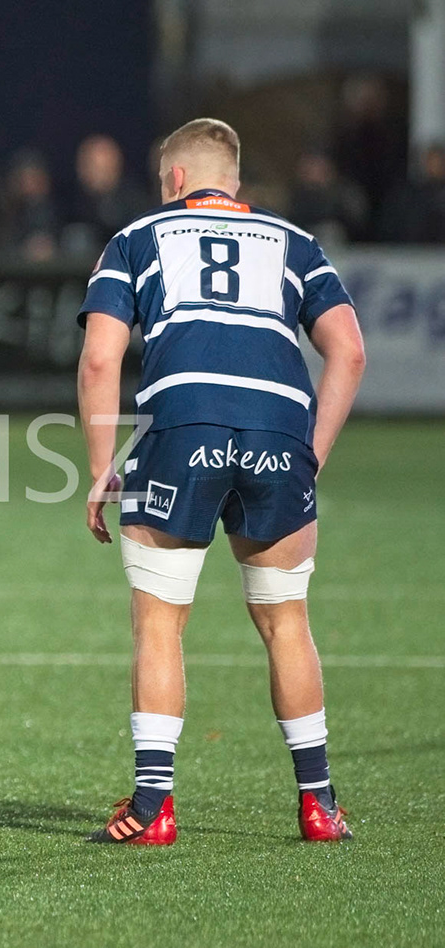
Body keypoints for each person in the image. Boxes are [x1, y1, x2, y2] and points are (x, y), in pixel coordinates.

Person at [77, 118, 366, 844]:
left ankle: (153, 807)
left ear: (175, 179)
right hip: (278, 431)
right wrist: (310, 455)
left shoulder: (135, 238)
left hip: (183, 426)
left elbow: (100, 358)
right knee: (285, 619)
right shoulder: (296, 241)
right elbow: (350, 352)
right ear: (233, 181)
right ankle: (320, 806)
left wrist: (101, 467)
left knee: (159, 620)